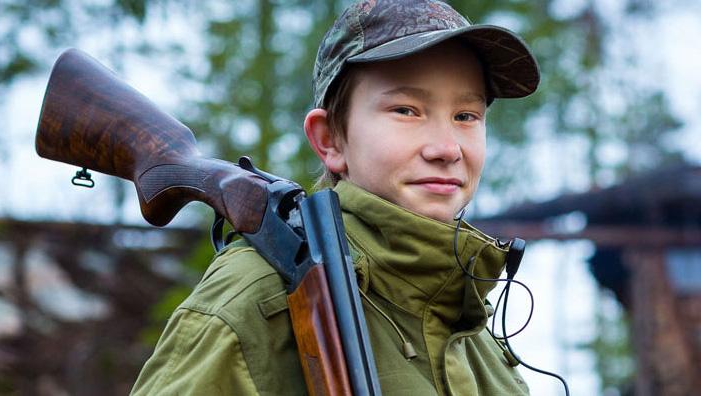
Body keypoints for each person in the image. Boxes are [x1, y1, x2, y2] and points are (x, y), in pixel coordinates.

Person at [131, 0, 540, 394]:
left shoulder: (471, 325)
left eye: (465, 117)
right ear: (330, 140)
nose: (447, 149)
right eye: (406, 110)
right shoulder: (256, 298)